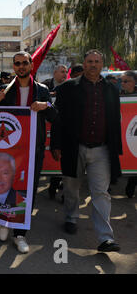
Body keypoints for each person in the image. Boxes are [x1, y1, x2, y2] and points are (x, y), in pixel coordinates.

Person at [50, 49, 122, 252]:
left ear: (102, 65)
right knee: (71, 187)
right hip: (74, 147)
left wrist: (116, 148)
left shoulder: (111, 89)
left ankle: (105, 238)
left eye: (97, 61)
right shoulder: (67, 88)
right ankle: (71, 218)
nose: (93, 65)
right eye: (89, 61)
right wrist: (56, 144)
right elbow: (58, 118)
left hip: (101, 149)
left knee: (101, 193)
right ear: (84, 63)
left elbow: (115, 121)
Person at [0, 50, 57, 253]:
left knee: (28, 191)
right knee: (5, 185)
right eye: (17, 63)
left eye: (24, 63)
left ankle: (20, 234)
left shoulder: (42, 90)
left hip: (33, 150)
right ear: (13, 67)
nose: (21, 66)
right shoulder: (5, 89)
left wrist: (45, 105)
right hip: (7, 148)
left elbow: (55, 116)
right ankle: (3, 220)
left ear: (31, 65)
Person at [42, 64, 68, 199]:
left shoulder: (69, 86)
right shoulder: (45, 86)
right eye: (62, 72)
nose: (64, 74)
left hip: (62, 127)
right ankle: (52, 187)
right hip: (46, 128)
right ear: (55, 73)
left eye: (66, 72)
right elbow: (44, 102)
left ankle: (62, 190)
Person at [120, 70, 137, 198]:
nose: (123, 84)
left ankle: (131, 185)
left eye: (127, 81)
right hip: (123, 135)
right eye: (122, 81)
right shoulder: (118, 96)